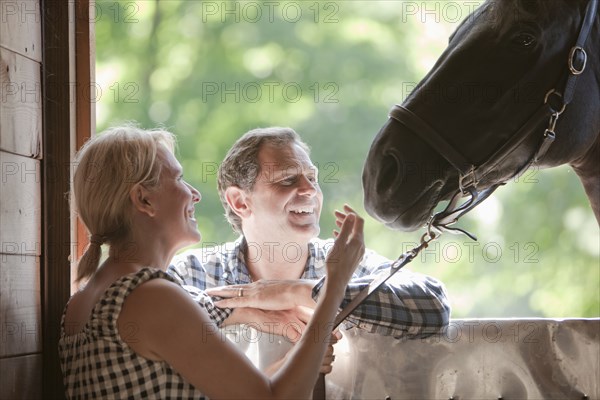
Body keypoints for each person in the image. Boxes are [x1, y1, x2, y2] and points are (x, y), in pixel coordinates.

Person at [58, 125, 365, 399]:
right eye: (178, 179)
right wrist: (335, 283)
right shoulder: (151, 297)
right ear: (144, 200)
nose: (195, 195)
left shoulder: (87, 298)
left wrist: (251, 312)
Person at [168, 127, 451, 344]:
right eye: (288, 180)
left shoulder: (347, 265)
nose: (310, 191)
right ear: (240, 202)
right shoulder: (194, 273)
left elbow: (433, 304)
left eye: (312, 178)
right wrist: (244, 312)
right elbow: (138, 309)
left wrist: (301, 291)